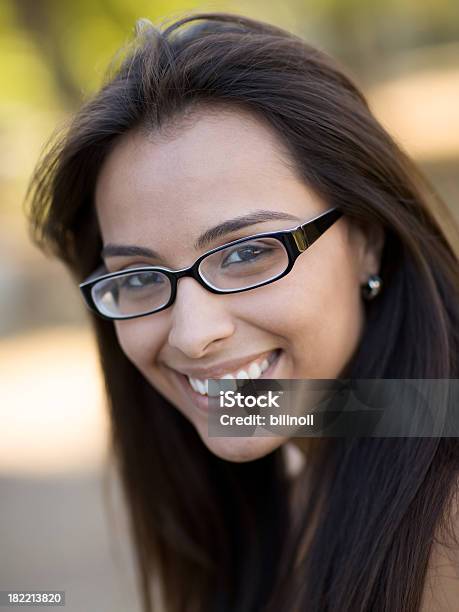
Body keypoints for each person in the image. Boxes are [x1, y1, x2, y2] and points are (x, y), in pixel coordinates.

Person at [26, 11, 459, 612]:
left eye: (248, 252)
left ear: (367, 238)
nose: (195, 334)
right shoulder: (343, 451)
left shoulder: (444, 529)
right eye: (144, 277)